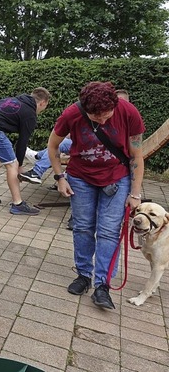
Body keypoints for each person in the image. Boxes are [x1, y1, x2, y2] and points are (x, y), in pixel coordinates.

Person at [49, 82, 144, 310]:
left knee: (109, 231)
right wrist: (60, 177)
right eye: (95, 116)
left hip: (117, 178)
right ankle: (83, 275)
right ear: (84, 107)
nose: (102, 120)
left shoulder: (129, 113)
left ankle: (103, 285)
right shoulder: (72, 113)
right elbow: (52, 147)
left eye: (106, 115)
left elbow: (137, 157)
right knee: (82, 227)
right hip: (80, 178)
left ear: (115, 105)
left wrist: (135, 193)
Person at [21, 89, 130, 184]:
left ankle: (38, 163)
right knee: (60, 143)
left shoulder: (128, 117)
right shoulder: (97, 113)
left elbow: (130, 147)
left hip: (103, 156)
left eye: (122, 101)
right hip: (83, 146)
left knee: (62, 144)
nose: (119, 104)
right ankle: (38, 159)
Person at [0, 87, 51, 215]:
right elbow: (22, 142)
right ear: (43, 103)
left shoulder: (14, 100)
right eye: (44, 106)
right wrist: (19, 165)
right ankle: (17, 204)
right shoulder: (30, 113)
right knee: (12, 164)